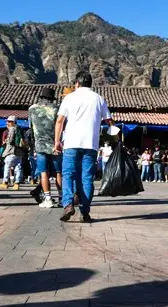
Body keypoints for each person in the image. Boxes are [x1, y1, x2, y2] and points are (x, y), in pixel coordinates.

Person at [54, 71, 113, 222]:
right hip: (91, 145)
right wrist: (115, 138)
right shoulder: (99, 99)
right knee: (87, 178)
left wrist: (57, 141)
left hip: (71, 143)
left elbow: (60, 121)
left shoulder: (70, 98)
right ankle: (85, 212)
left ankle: (67, 204)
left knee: (68, 174)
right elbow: (109, 122)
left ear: (77, 83)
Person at [28, 87, 61, 208]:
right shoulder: (57, 109)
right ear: (52, 99)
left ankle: (48, 199)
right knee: (59, 172)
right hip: (55, 145)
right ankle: (62, 197)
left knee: (44, 173)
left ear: (41, 97)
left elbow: (31, 127)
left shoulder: (31, 109)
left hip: (40, 145)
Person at [0, 116, 24, 190]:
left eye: (9, 121)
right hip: (19, 151)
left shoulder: (12, 129)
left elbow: (11, 140)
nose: (7, 123)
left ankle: (5, 183)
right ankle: (17, 184)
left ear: (13, 122)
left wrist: (6, 141)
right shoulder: (20, 129)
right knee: (18, 167)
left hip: (11, 150)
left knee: (7, 166)